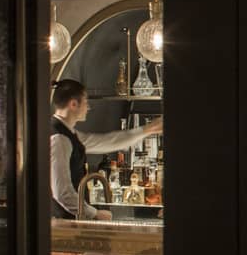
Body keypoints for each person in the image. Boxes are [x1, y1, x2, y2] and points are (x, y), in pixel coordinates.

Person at [51, 78, 163, 220]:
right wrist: (94, 213)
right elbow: (62, 192)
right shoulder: (59, 139)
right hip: (63, 223)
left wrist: (146, 130)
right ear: (73, 104)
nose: (88, 107)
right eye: (85, 102)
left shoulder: (68, 134)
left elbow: (106, 142)